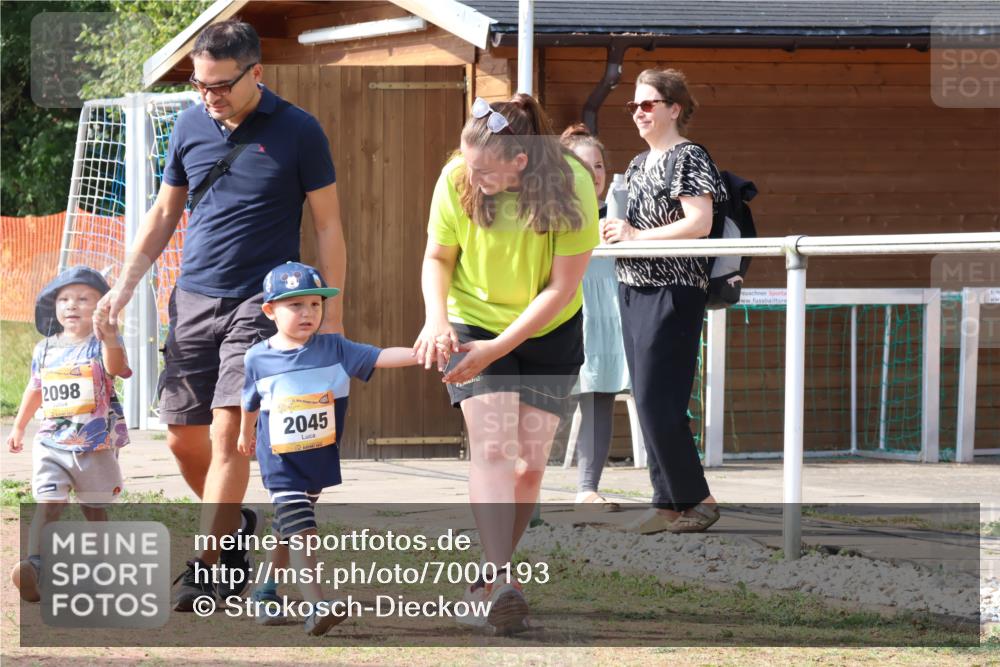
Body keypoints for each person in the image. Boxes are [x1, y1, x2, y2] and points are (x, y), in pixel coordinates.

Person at [92, 20, 347, 610]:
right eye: (200, 84)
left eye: (221, 85)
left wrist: (330, 312)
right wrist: (125, 287)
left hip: (261, 305)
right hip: (193, 298)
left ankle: (207, 566)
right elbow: (162, 214)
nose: (209, 96)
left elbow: (330, 225)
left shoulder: (300, 131)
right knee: (184, 438)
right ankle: (232, 530)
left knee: (230, 433)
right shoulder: (188, 124)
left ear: (256, 72)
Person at [413, 95, 599, 634]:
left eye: (485, 170)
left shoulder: (573, 183)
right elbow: (437, 256)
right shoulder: (457, 177)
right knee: (494, 448)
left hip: (549, 326)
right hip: (472, 319)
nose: (471, 175)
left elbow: (564, 288)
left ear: (521, 161)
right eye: (469, 164)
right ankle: (500, 582)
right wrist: (435, 320)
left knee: (530, 466)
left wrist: (501, 347)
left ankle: (484, 583)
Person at [233, 262, 420, 635]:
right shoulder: (258, 357)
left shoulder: (336, 348)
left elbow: (381, 356)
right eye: (295, 306)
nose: (308, 313)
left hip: (318, 458)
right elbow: (250, 400)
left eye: (315, 305)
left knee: (288, 528)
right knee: (304, 528)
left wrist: (426, 354)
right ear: (270, 311)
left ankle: (265, 592)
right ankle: (317, 605)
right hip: (280, 461)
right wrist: (245, 433)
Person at [601, 68, 724, 534]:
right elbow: (631, 229)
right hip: (632, 286)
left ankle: (699, 500)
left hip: (674, 288)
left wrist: (636, 235)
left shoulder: (688, 156)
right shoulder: (635, 164)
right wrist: (615, 232)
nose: (638, 112)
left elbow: (699, 221)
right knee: (647, 398)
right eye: (633, 105)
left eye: (648, 103)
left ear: (674, 108)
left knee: (657, 399)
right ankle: (667, 501)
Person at [7, 267, 131, 601]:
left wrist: (110, 336)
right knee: (49, 503)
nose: (72, 305)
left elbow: (117, 368)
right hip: (52, 443)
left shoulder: (102, 345)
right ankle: (35, 566)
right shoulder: (44, 349)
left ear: (101, 306)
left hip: (95, 445)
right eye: (64, 299)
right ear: (53, 307)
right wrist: (19, 425)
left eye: (83, 298)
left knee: (94, 509)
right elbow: (35, 388)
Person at [559, 124, 629, 512]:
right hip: (567, 311)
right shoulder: (553, 214)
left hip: (610, 314)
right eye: (584, 167)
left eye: (599, 166)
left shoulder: (619, 212)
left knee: (599, 397)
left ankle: (588, 489)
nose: (595, 175)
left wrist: (629, 232)